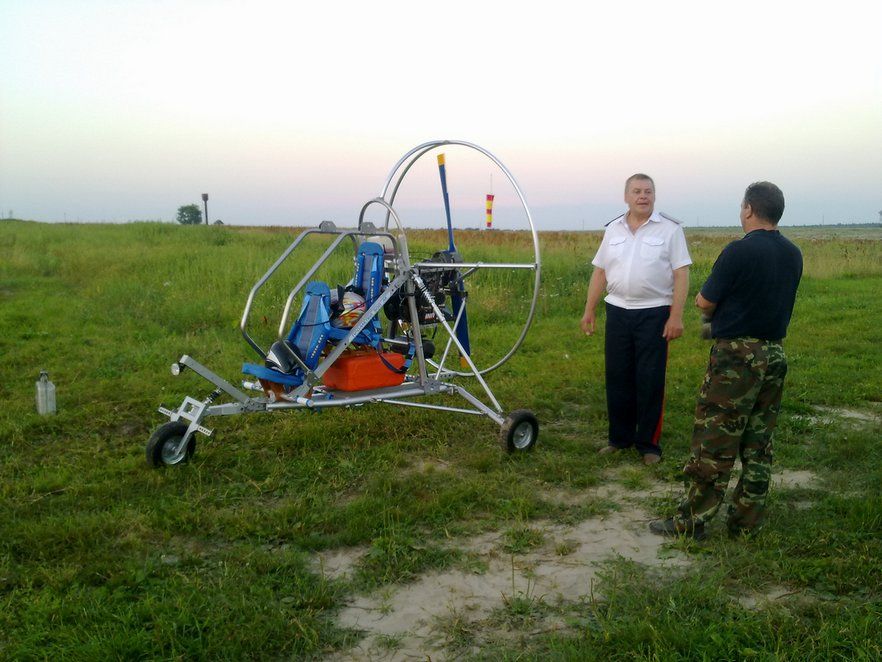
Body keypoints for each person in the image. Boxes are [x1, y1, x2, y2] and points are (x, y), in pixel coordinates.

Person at [650, 181, 802, 540]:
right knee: (759, 443)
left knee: (715, 438)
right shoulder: (793, 253)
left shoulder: (738, 250)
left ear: (748, 209)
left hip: (737, 357)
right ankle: (745, 522)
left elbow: (705, 301)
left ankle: (692, 521)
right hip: (774, 353)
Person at [581, 174, 691, 465]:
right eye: (637, 191)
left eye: (648, 191)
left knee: (650, 378)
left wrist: (676, 316)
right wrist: (589, 310)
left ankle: (648, 444)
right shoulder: (613, 229)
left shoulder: (670, 229)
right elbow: (600, 272)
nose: (643, 196)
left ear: (654, 196)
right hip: (617, 311)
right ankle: (619, 438)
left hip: (654, 312)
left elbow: (681, 274)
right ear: (626, 196)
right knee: (617, 376)